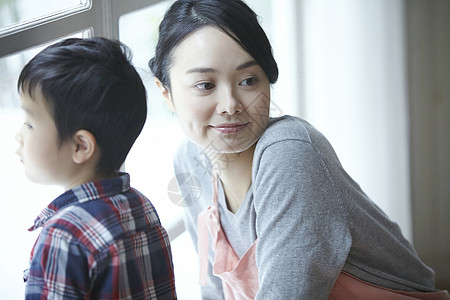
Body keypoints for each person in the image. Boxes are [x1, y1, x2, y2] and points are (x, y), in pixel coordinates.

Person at [148, 0, 450, 299]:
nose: (230, 105)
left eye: (249, 80)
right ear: (166, 93)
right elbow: (214, 293)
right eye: (205, 85)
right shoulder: (190, 161)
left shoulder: (289, 154)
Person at [16, 37, 177, 299]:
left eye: (30, 124)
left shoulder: (64, 236)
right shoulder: (142, 207)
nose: (19, 136)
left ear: (80, 146)